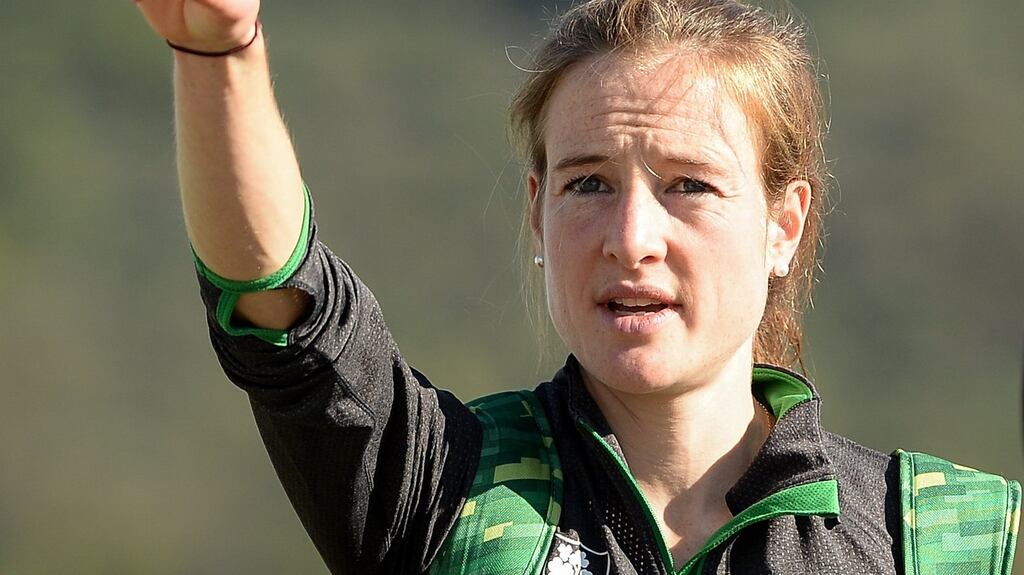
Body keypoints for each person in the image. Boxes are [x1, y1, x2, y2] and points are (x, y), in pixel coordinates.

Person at [133, 1, 1019, 574]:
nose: (631, 239)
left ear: (784, 224)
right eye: (587, 182)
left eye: (690, 185)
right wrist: (217, 48)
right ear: (536, 213)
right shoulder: (446, 489)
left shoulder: (959, 540)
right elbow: (285, 314)